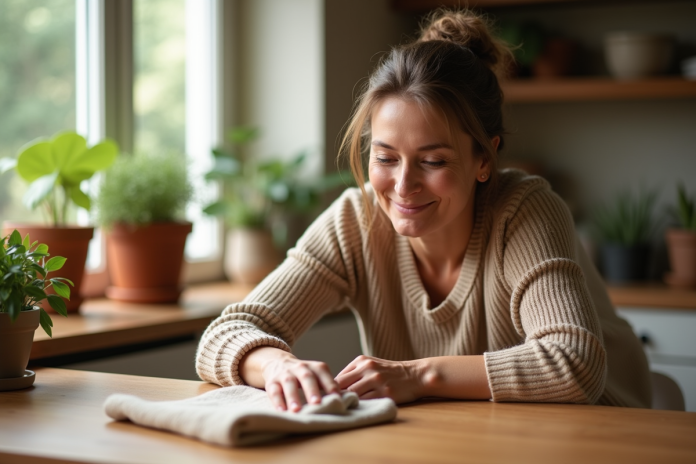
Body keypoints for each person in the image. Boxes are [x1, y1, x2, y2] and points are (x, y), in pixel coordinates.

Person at [196, 9, 651, 411]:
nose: (403, 185)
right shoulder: (357, 219)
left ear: (484, 159)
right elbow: (226, 333)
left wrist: (415, 376)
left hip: (604, 432)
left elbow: (574, 364)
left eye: (433, 161)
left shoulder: (524, 210)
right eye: (385, 157)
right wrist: (277, 366)